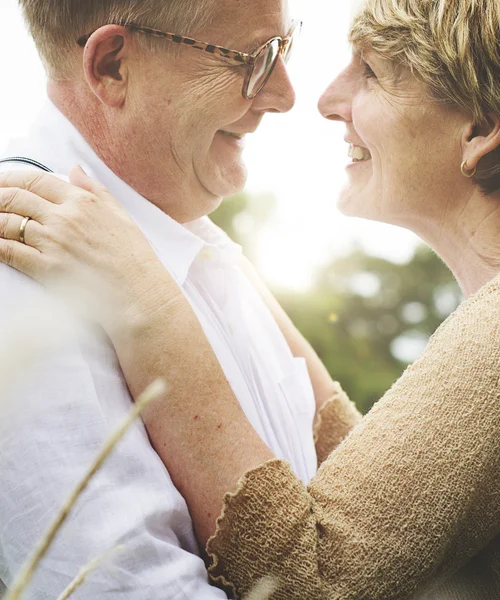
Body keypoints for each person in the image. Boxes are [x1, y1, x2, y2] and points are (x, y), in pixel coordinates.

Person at [1, 0, 500, 599]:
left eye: (370, 73)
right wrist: (201, 252)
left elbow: (314, 579)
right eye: (255, 57)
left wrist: (153, 308)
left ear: (478, 131)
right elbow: (383, 502)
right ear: (109, 67)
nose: (314, 98)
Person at [0, 1, 346, 598]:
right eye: (253, 59)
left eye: (283, 49)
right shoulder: (30, 265)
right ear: (112, 66)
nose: (285, 95)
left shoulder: (197, 243)